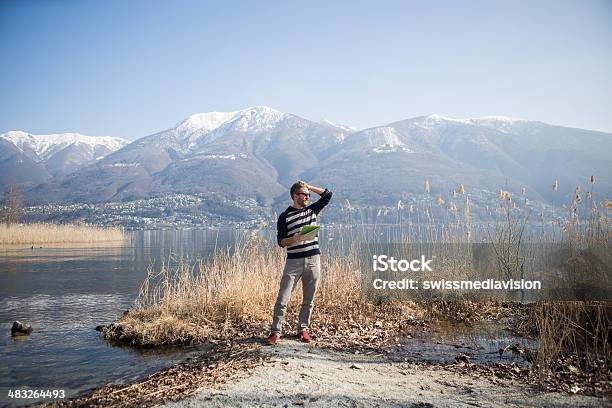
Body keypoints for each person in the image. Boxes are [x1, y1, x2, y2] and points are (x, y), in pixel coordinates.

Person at [266, 180, 333, 345]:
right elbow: (280, 241)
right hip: (293, 262)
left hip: (313, 260)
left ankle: (303, 329)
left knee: (308, 299)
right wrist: (294, 239)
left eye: (309, 195)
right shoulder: (285, 216)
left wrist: (309, 187)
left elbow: (327, 195)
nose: (308, 197)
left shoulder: (312, 210)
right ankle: (275, 332)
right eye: (304, 194)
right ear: (295, 196)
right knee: (283, 297)